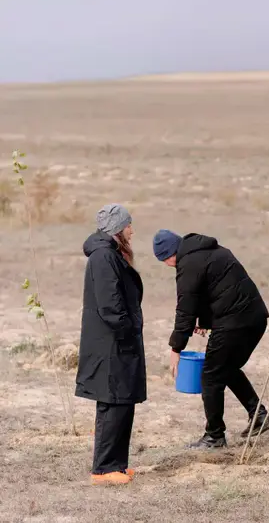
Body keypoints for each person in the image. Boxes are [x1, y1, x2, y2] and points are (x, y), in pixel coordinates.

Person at [153, 229, 269, 449]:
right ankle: (258, 415)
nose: (168, 265)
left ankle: (214, 435)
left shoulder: (188, 265)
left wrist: (176, 348)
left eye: (165, 261)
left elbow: (185, 309)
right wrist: (206, 322)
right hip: (255, 319)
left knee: (210, 376)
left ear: (170, 254)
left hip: (235, 323)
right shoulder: (214, 251)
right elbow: (222, 291)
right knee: (225, 368)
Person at [76, 204, 145, 486]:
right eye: (128, 225)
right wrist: (127, 330)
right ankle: (103, 470)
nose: (132, 230)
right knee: (113, 402)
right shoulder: (104, 257)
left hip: (118, 341)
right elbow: (110, 305)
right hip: (111, 343)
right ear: (118, 228)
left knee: (122, 402)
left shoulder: (110, 254)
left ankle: (117, 464)